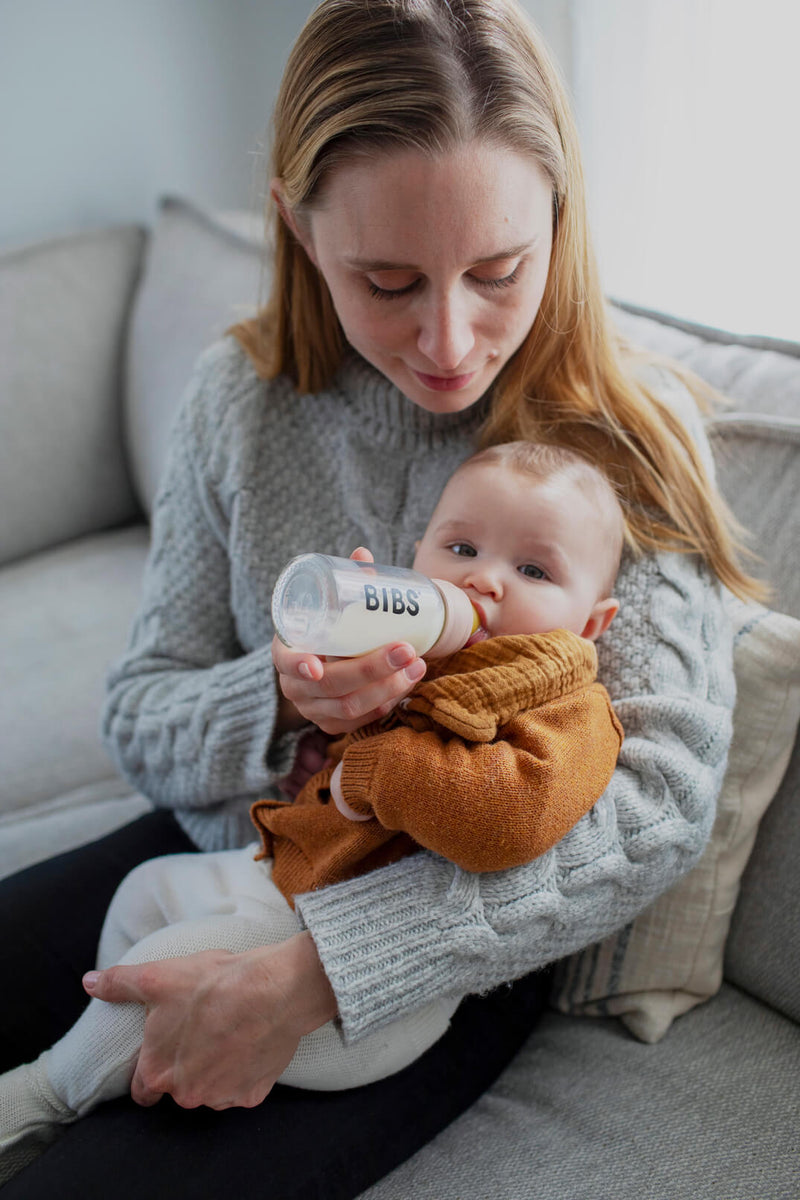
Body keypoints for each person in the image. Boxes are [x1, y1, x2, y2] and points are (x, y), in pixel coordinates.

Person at [0, 0, 761, 1195]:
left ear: (559, 224)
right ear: (301, 232)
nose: (450, 339)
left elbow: (655, 807)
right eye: (389, 279)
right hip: (242, 843)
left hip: (443, 946)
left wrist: (324, 971)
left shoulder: (624, 450)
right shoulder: (237, 402)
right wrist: (290, 695)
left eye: (498, 271)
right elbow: (140, 714)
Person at [0, 441, 625, 1177]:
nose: (484, 580)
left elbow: (507, 824)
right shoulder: (403, 652)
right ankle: (139, 1056)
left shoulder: (568, 710)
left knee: (161, 961)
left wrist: (370, 765)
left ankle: (44, 1098)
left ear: (590, 624)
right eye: (460, 547)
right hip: (282, 872)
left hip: (370, 963)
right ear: (413, 558)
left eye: (533, 571)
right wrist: (317, 685)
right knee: (147, 891)